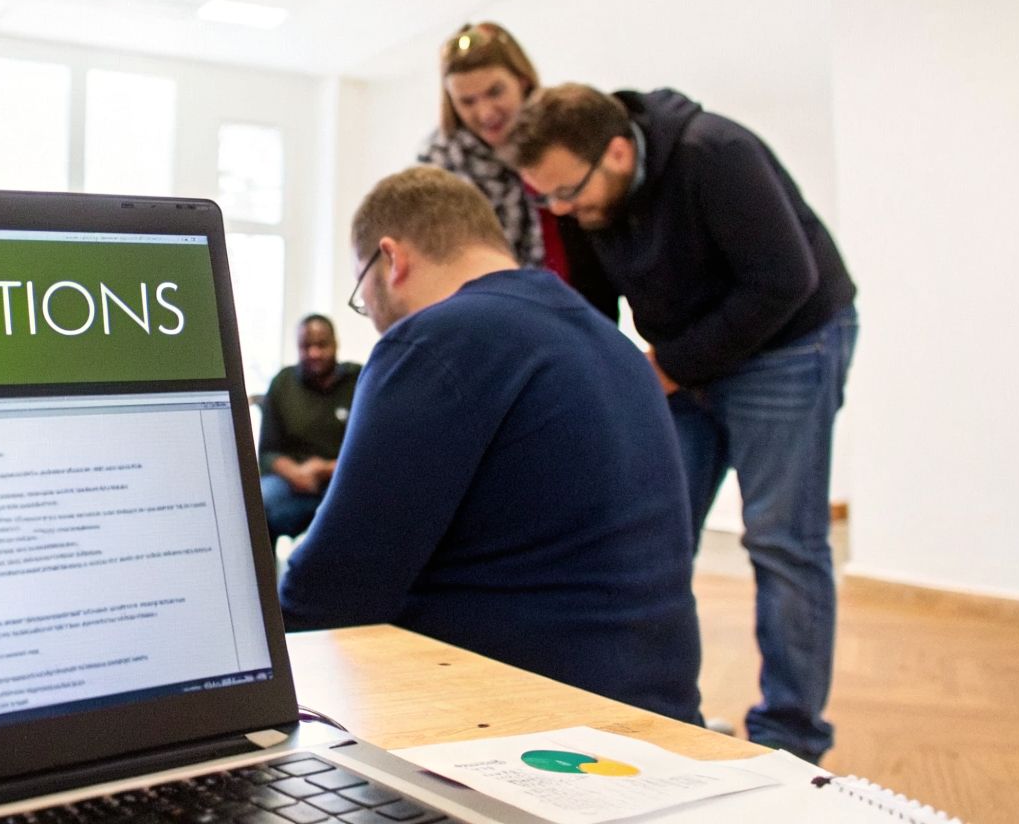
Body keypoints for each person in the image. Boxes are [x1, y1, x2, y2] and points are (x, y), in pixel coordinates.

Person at [510, 83, 858, 764]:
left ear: (617, 152)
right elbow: (592, 304)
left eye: (567, 192)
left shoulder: (715, 153)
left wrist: (671, 365)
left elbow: (786, 279)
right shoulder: (579, 195)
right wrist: (594, 381)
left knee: (783, 541)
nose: (562, 210)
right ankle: (663, 715)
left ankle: (790, 741)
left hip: (790, 343)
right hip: (688, 354)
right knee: (651, 536)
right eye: (546, 198)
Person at [279, 166, 702, 725]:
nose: (375, 318)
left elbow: (333, 589)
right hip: (657, 714)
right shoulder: (611, 343)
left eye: (364, 293)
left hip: (530, 728)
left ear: (392, 259)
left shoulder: (436, 339)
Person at [418, 22, 618, 320]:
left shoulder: (562, 132)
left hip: (586, 309)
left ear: (522, 80)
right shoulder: (440, 165)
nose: (485, 112)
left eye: (495, 92)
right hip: (496, 320)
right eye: (467, 101)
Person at [257, 315, 360, 540]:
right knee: (258, 502)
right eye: (306, 346)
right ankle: (265, 564)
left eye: (321, 345)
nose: (314, 353)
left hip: (344, 480)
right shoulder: (283, 383)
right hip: (292, 483)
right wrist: (296, 473)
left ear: (335, 343)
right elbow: (267, 452)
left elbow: (371, 453)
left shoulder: (358, 382)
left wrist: (325, 469)